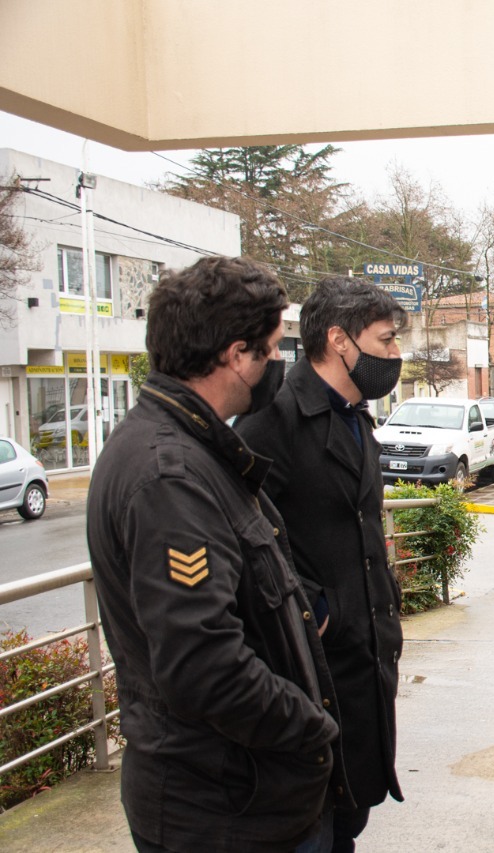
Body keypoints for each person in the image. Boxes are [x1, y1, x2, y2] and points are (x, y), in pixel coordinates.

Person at [86, 256, 351, 852]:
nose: (280, 365)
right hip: (225, 810)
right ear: (237, 354)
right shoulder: (170, 476)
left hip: (240, 798)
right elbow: (204, 669)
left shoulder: (190, 450)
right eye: (273, 349)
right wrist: (313, 728)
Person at [237, 276, 407, 851]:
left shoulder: (356, 414)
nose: (395, 355)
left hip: (364, 665)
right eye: (385, 341)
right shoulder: (273, 422)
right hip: (310, 675)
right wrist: (312, 605)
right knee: (318, 826)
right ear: (339, 340)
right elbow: (243, 535)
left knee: (350, 819)